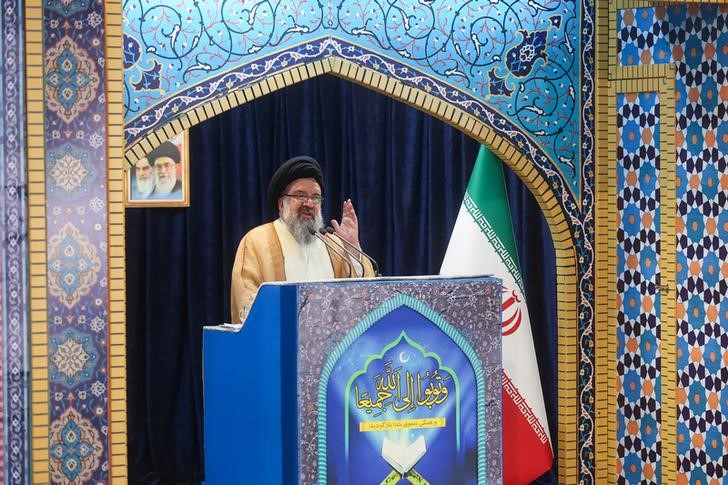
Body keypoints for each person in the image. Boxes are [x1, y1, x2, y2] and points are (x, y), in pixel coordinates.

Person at [230, 155, 375, 323]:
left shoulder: (334, 245)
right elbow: (246, 303)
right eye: (300, 195)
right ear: (281, 204)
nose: (309, 203)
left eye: (315, 197)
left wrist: (352, 247)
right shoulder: (256, 241)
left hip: (333, 346)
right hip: (281, 344)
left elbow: (364, 295)